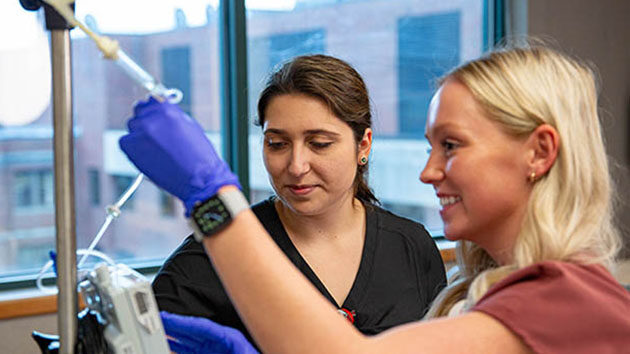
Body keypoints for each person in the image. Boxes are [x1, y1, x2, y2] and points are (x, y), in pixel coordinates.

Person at [120, 44, 630, 353]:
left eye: (450, 146)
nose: (428, 171)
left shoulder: (562, 301)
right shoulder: (485, 288)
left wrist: (208, 196)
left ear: (538, 152)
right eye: (277, 143)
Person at [150, 55, 446, 348]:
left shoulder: (412, 246)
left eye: (319, 144)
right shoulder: (211, 256)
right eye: (277, 144)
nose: (296, 166)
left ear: (363, 145)